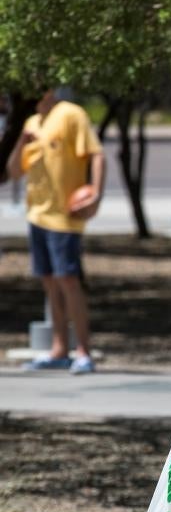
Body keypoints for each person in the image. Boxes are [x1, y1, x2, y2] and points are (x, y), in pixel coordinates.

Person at [6, 88, 105, 374]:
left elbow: (97, 155)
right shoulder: (31, 123)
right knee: (49, 283)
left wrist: (95, 194)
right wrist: (20, 143)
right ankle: (59, 349)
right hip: (36, 215)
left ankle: (83, 351)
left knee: (68, 281)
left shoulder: (71, 114)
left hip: (65, 216)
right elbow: (14, 172)